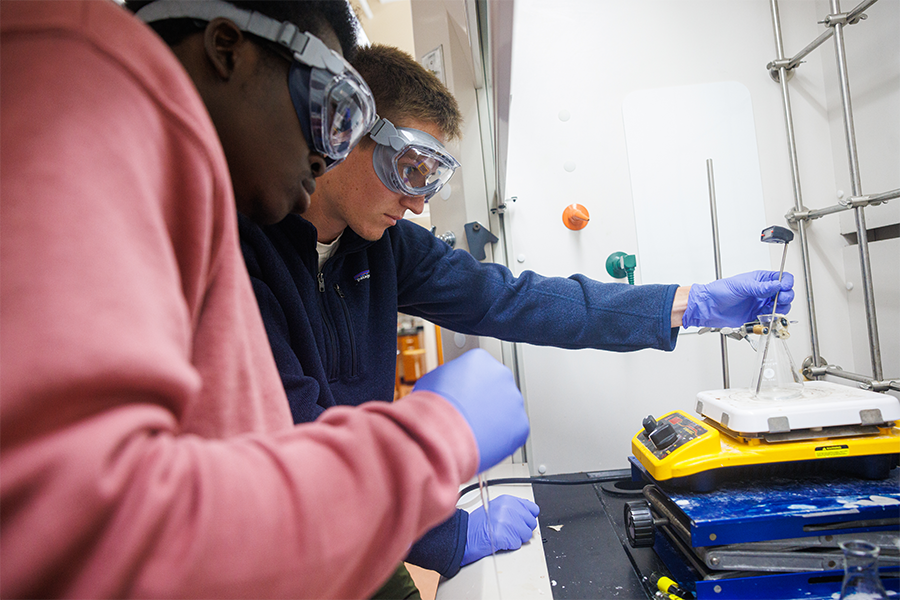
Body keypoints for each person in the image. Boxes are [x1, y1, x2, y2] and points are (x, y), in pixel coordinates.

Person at [0, 1, 531, 599]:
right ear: (227, 49)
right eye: (331, 110)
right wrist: (430, 442)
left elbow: (235, 444)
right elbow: (91, 529)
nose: (325, 155)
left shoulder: (199, 202)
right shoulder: (72, 98)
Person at [239, 43, 797, 581]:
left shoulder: (386, 247)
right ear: (345, 131)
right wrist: (449, 533)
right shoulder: (244, 259)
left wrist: (690, 304)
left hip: (372, 534)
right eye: (409, 169)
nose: (418, 202)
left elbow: (518, 299)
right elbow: (299, 441)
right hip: (277, 554)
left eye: (431, 179)